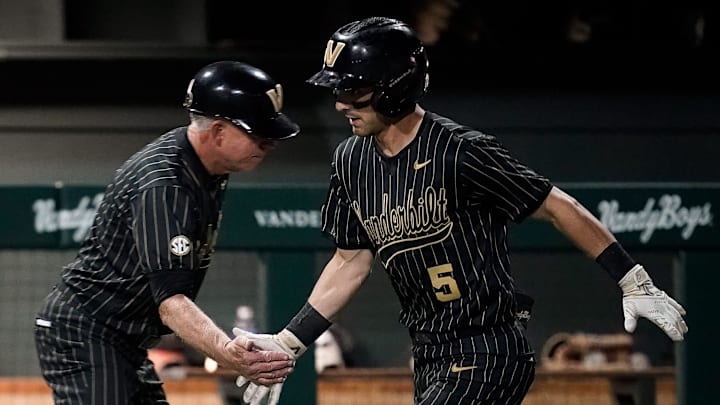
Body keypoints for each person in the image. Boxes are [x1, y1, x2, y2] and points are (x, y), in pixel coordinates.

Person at [233, 16, 688, 405]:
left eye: (354, 91)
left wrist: (634, 280)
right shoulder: (351, 160)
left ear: (395, 86)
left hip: (488, 348)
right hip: (429, 355)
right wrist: (290, 343)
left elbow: (557, 207)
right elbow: (350, 261)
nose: (340, 103)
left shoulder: (461, 151)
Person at [33, 60, 299, 404]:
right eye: (258, 135)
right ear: (218, 132)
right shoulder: (166, 184)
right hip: (86, 333)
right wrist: (230, 355)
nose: (269, 144)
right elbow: (171, 305)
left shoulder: (208, 167)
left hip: (123, 340)